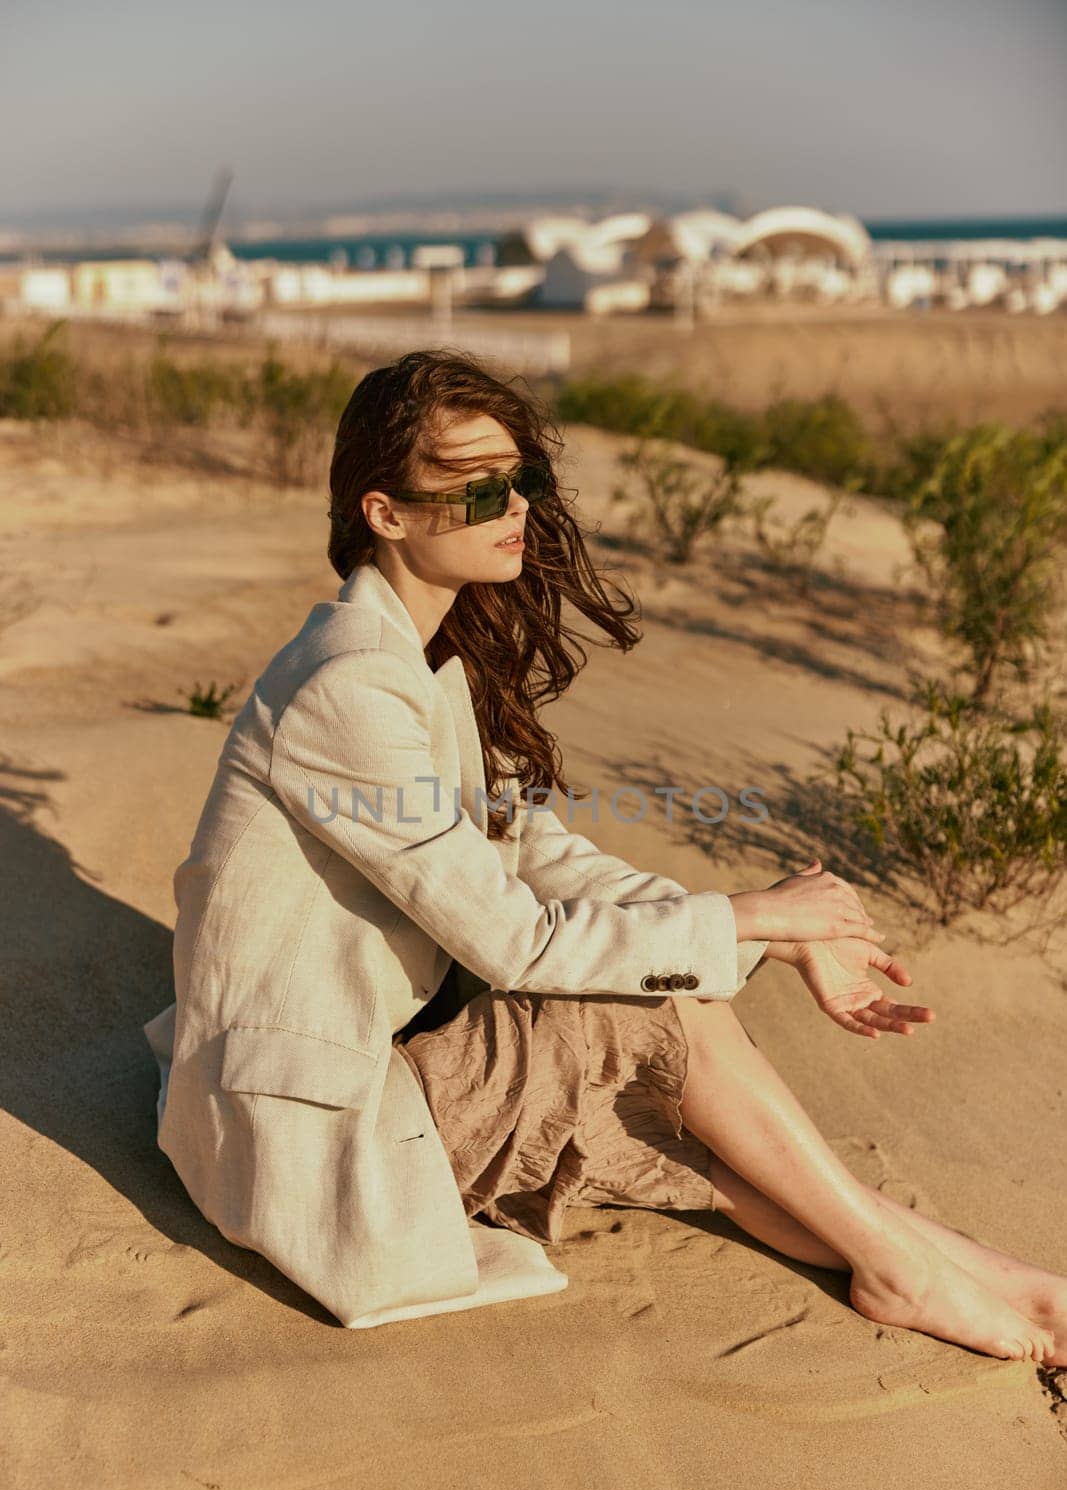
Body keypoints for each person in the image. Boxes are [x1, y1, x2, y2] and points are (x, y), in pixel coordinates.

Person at [146, 349, 1064, 1358]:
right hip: (312, 1128)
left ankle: (984, 1276)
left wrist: (758, 931)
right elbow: (513, 940)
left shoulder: (421, 658)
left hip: (383, 1055)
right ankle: (905, 1270)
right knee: (660, 1007)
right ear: (386, 514)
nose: (516, 509)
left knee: (678, 1101)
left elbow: (534, 852)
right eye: (480, 490)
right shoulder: (346, 688)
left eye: (523, 480)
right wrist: (748, 918)